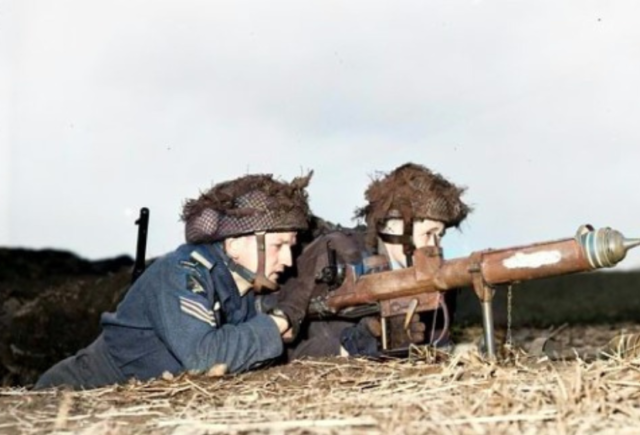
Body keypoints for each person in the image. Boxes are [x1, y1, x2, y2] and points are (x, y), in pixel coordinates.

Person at [35, 172, 315, 389]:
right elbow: (204, 359)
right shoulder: (183, 274)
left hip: (136, 408)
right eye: (279, 246)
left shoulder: (239, 288)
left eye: (291, 246)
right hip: (75, 395)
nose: (288, 260)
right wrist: (276, 324)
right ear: (234, 245)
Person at [282, 162, 471, 359]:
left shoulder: (434, 279)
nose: (434, 246)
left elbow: (438, 347)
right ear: (394, 230)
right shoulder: (339, 255)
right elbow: (286, 349)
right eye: (428, 233)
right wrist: (352, 344)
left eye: (439, 235)